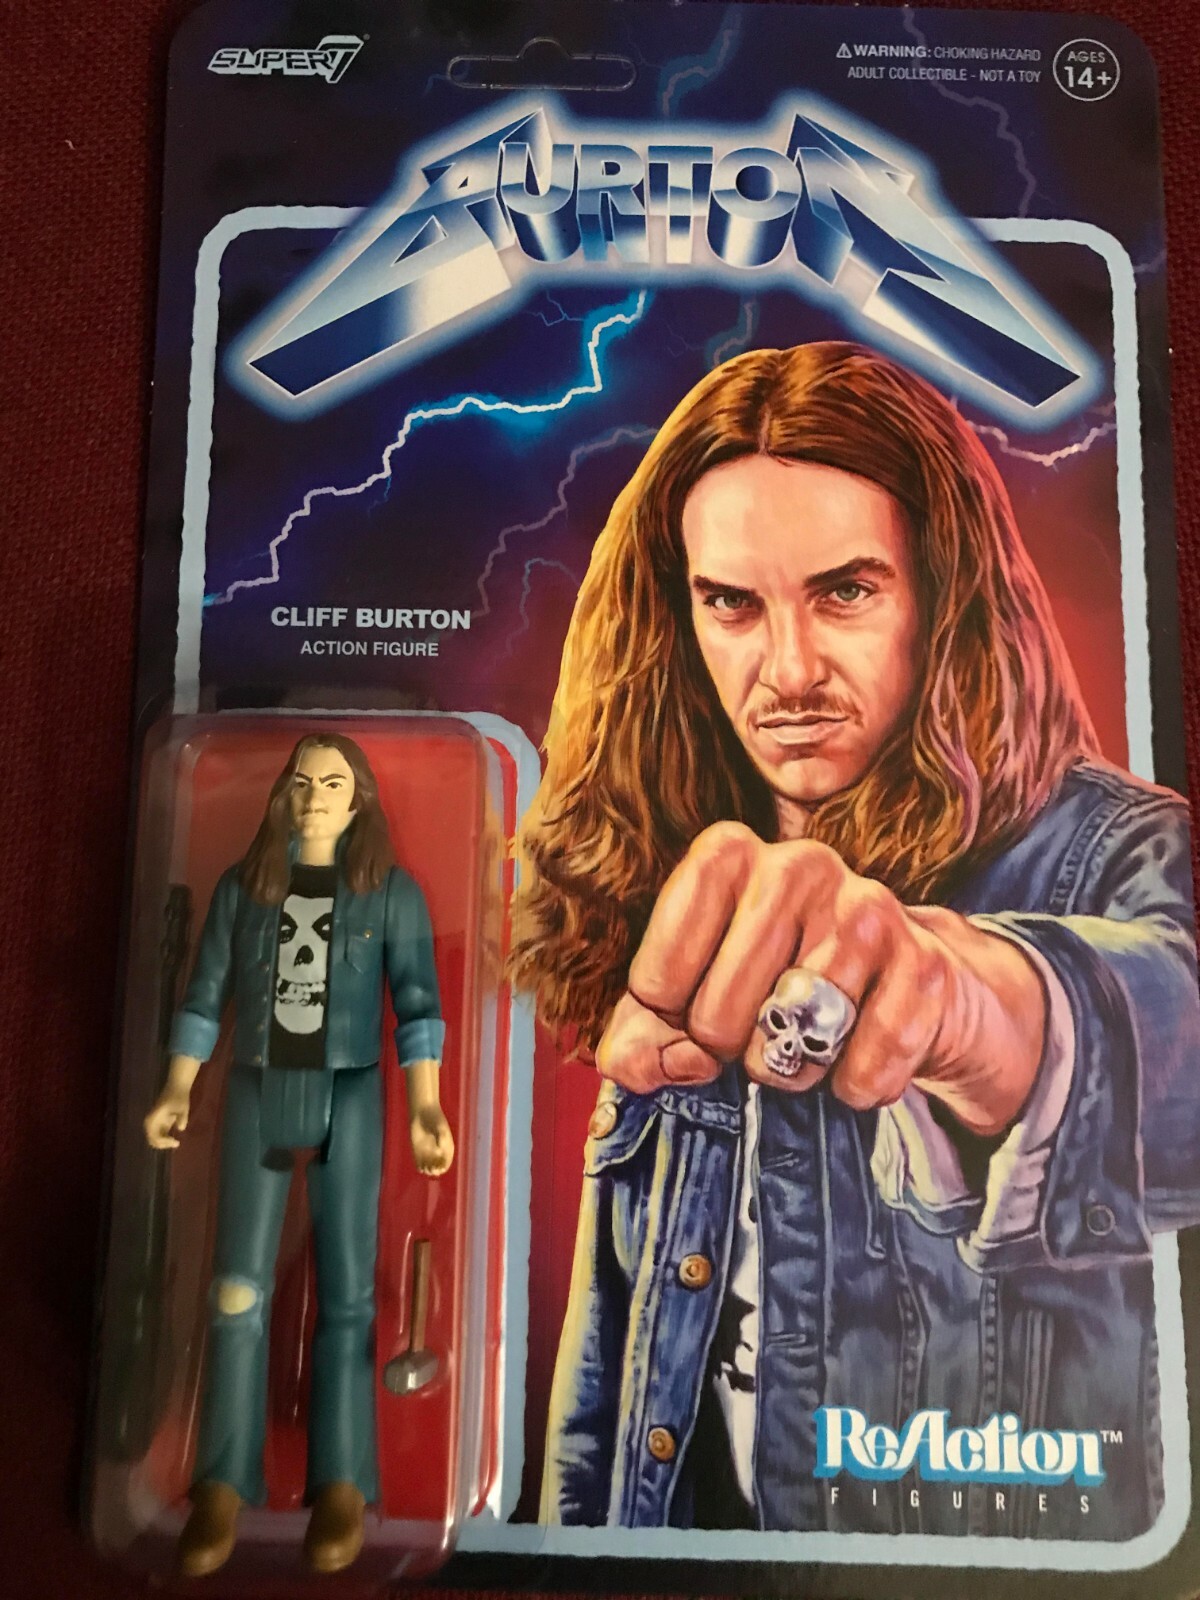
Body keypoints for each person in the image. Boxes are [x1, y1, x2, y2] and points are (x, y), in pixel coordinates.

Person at [509, 342, 1200, 1539]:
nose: (787, 672)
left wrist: (970, 1003)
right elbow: (610, 1378)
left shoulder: (1118, 847)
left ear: (942, 592)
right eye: (732, 603)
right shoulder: (678, 876)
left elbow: (1174, 1035)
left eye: (845, 592)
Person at [144, 733, 454, 1575]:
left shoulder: (391, 894)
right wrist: (176, 1088)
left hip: (351, 1093)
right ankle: (222, 1480)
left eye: (334, 783)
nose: (316, 796)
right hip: (255, 1089)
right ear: (283, 793)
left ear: (359, 800)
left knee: (348, 1294)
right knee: (236, 1292)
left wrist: (426, 1106)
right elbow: (204, 995)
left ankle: (344, 1480)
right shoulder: (243, 890)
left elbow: (418, 1005)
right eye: (304, 782)